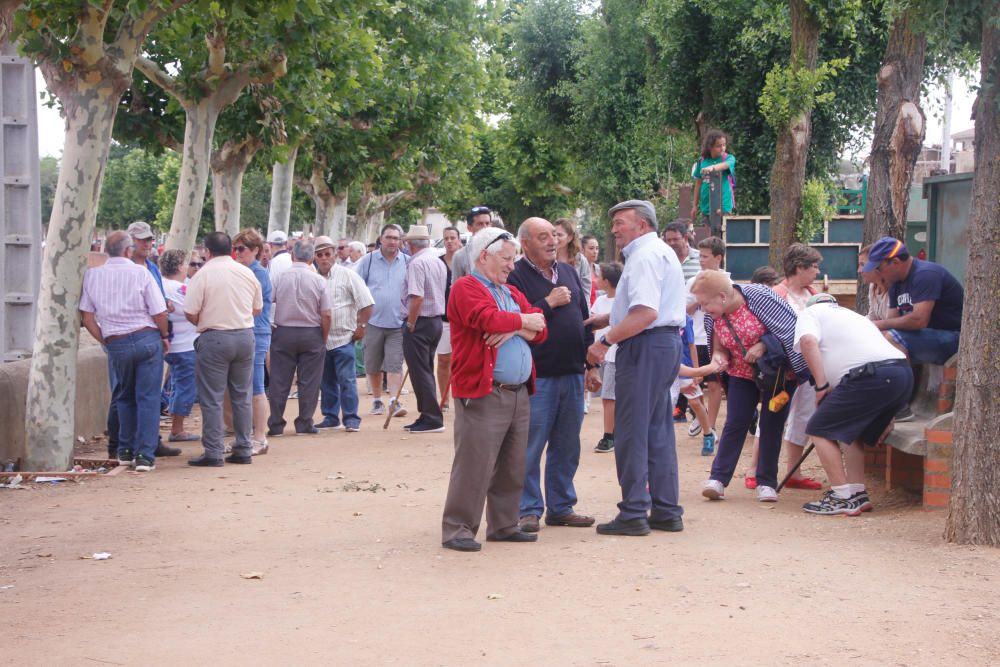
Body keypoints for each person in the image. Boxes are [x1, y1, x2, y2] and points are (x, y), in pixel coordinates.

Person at [441, 228, 549, 552]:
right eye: (506, 259)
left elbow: (542, 325)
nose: (511, 266)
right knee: (474, 463)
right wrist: (521, 323)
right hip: (483, 391)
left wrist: (515, 325)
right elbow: (486, 319)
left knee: (513, 463)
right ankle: (457, 529)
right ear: (484, 256)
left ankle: (504, 524)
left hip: (516, 391)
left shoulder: (510, 292)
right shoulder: (465, 287)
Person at [585, 200, 686, 536]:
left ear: (642, 225)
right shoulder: (658, 252)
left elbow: (645, 314)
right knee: (657, 429)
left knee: (629, 430)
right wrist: (609, 318)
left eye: (620, 223)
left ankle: (632, 512)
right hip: (663, 344)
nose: (614, 229)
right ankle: (666, 509)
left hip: (644, 346)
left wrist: (605, 340)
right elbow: (649, 309)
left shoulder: (642, 256)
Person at [508, 217, 598, 532]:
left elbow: (582, 320)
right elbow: (514, 320)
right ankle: (528, 509)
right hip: (538, 375)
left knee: (567, 444)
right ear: (526, 243)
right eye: (543, 236)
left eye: (554, 236)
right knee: (531, 444)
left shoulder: (570, 272)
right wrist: (547, 302)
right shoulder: (515, 277)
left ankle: (561, 507)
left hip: (573, 373)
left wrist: (591, 365)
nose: (552, 242)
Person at [690, 269, 808, 502]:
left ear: (723, 296)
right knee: (735, 422)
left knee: (771, 424)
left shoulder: (760, 297)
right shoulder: (713, 315)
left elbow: (790, 329)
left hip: (777, 374)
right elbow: (719, 345)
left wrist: (763, 346)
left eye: (705, 304)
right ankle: (718, 478)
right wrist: (719, 358)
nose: (703, 309)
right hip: (741, 374)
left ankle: (766, 482)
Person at [794, 293, 912, 515]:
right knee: (850, 431)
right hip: (900, 374)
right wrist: (891, 411)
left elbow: (808, 342)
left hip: (869, 377)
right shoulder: (854, 317)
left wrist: (820, 386)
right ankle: (856, 493)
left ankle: (842, 497)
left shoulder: (809, 313)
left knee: (818, 430)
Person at [80, 231, 169, 472]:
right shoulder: (141, 273)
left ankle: (125, 451)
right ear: (129, 251)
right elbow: (159, 312)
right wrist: (164, 335)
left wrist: (107, 340)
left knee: (123, 396)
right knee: (148, 398)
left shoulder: (92, 276)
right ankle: (145, 455)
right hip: (146, 338)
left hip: (116, 342)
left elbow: (87, 318)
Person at [184, 232, 263, 467]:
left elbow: (190, 311)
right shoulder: (246, 272)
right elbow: (257, 308)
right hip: (244, 335)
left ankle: (214, 451)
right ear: (231, 249)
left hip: (215, 336)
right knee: (242, 395)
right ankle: (244, 447)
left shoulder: (203, 275)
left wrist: (206, 320)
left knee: (212, 398)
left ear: (207, 251)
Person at [768, 243, 825, 491]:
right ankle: (757, 470)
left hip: (809, 367)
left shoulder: (814, 294)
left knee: (803, 415)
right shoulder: (776, 293)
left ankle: (794, 470)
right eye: (813, 266)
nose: (817, 272)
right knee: (772, 415)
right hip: (783, 367)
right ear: (798, 267)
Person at [267, 239, 332, 436]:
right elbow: (326, 313)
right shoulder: (319, 280)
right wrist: (324, 336)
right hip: (311, 332)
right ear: (312, 258)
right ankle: (304, 422)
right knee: (310, 381)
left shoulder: (279, 277)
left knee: (279, 380)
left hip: (283, 331)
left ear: (292, 255)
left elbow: (268, 302)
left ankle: (276, 424)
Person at [867, 237, 963, 366]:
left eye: (878, 268)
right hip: (926, 337)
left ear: (895, 262)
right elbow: (891, 321)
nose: (877, 273)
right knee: (881, 337)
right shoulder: (895, 283)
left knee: (892, 338)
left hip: (955, 338)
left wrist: (878, 324)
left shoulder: (926, 274)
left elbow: (919, 320)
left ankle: (902, 385)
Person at [313, 236, 374, 432]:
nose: (324, 258)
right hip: (320, 339)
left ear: (334, 255)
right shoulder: (312, 277)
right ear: (314, 257)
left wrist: (362, 327)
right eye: (320, 255)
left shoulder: (348, 275)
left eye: (327, 254)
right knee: (326, 381)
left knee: (347, 380)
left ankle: (351, 419)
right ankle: (330, 417)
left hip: (344, 338)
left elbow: (367, 302)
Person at [354, 224, 409, 418]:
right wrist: (360, 320)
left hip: (398, 323)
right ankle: (377, 400)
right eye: (389, 237)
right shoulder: (367, 261)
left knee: (395, 364)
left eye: (396, 238)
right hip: (373, 323)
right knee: (373, 364)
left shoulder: (408, 262)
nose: (393, 241)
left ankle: (394, 400)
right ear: (381, 238)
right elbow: (357, 288)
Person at [401, 225, 448, 433]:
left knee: (421, 371)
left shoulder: (417, 263)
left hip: (421, 321)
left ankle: (431, 417)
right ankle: (427, 414)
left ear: (410, 244)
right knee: (425, 369)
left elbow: (417, 296)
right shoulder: (437, 261)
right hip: (434, 321)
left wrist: (411, 322)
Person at [232, 228, 273, 453]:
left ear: (255, 250)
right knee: (245, 387)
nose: (237, 253)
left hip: (256, 333)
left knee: (257, 386)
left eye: (241, 249)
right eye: (235, 249)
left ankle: (260, 437)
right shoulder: (244, 271)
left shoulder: (257, 273)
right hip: (245, 332)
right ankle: (247, 435)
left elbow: (254, 307)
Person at [686, 236, 727, 444]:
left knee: (715, 384)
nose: (701, 260)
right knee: (695, 382)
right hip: (696, 338)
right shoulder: (692, 282)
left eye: (705, 256)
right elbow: (683, 310)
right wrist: (697, 300)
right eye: (699, 256)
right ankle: (700, 417)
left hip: (716, 340)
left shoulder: (727, 281)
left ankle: (710, 426)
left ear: (718, 258)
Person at [158, 249, 199, 443]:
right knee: (185, 387)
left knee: (176, 384)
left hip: (169, 345)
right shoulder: (182, 289)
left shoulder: (159, 285)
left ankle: (176, 424)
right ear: (179, 266)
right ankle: (177, 428)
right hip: (185, 345)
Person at [590, 262, 621, 453]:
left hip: (614, 355)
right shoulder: (600, 301)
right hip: (601, 356)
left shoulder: (621, 302)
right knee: (606, 396)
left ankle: (609, 436)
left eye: (599, 277)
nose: (596, 280)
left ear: (607, 281)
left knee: (609, 397)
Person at [690, 129, 736, 235]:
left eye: (724, 145)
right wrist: (695, 205)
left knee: (722, 235)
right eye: (718, 146)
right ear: (710, 147)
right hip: (706, 205)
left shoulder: (728, 158)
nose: (722, 148)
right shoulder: (702, 161)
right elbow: (698, 183)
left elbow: (725, 165)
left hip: (723, 204)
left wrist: (712, 168)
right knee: (709, 236)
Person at [436, 226, 463, 411]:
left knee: (462, 360)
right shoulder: (437, 263)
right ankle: (444, 398)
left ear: (459, 239)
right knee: (444, 359)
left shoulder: (467, 261)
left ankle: (461, 397)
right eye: (446, 238)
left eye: (453, 237)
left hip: (463, 320)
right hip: (444, 319)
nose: (449, 241)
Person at [553, 218, 592, 306]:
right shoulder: (547, 257)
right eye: (554, 234)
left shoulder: (580, 260)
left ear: (570, 237)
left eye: (559, 235)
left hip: (575, 308)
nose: (555, 238)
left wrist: (586, 314)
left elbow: (586, 291)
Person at [451, 205, 493, 284]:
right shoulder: (460, 256)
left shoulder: (499, 250)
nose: (485, 227)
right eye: (480, 224)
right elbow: (455, 288)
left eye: (487, 223)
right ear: (469, 228)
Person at [858, 244, 890, 321]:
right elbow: (873, 317)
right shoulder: (873, 286)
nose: (859, 270)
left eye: (862, 264)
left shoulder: (895, 288)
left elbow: (892, 325)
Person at [581, 235, 601, 305]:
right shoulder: (578, 270)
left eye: (597, 248)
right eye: (591, 248)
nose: (595, 251)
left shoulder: (601, 270)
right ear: (582, 250)